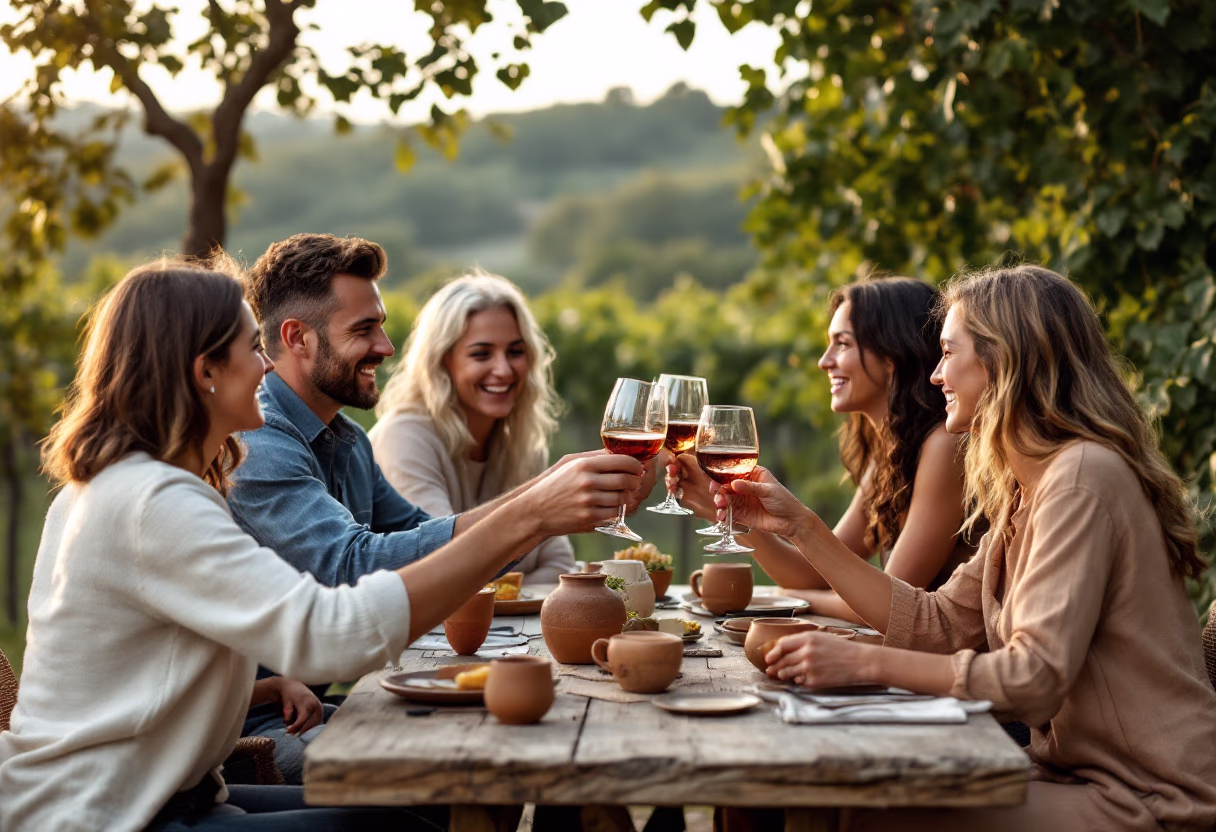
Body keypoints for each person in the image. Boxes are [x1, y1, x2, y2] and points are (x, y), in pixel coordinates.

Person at [0, 258, 643, 831]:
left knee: (425, 803)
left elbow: (134, 677)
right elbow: (333, 628)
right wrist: (532, 514)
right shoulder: (155, 501)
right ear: (205, 372)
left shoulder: (125, 486)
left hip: (160, 794)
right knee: (409, 820)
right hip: (107, 814)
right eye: (252, 348)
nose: (265, 367)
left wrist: (545, 501)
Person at [717, 265, 1216, 831]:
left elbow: (1033, 679)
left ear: (1002, 362)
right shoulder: (1028, 489)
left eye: (948, 353)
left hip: (1151, 797)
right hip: (1072, 773)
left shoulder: (1081, 479)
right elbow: (936, 621)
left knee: (875, 813)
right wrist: (799, 526)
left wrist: (862, 660)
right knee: (848, 794)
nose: (935, 375)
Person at [229, 234, 655, 781]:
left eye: (381, 326)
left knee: (516, 744)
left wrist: (553, 491)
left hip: (303, 708)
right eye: (363, 329)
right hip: (246, 731)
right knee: (460, 772)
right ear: (298, 338)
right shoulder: (259, 442)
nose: (386, 346)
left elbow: (434, 545)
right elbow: (351, 569)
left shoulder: (348, 443)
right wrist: (537, 509)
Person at [672, 276, 975, 624]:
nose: (823, 361)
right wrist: (736, 517)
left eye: (842, 344)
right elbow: (812, 573)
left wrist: (791, 599)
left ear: (892, 355)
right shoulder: (892, 453)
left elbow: (894, 604)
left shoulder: (944, 445)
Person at [368, 271, 576, 584]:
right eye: (481, 354)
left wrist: (500, 592)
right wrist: (516, 590)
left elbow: (561, 566)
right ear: (443, 361)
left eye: (515, 352)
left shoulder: (523, 444)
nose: (503, 369)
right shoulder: (404, 437)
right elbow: (444, 564)